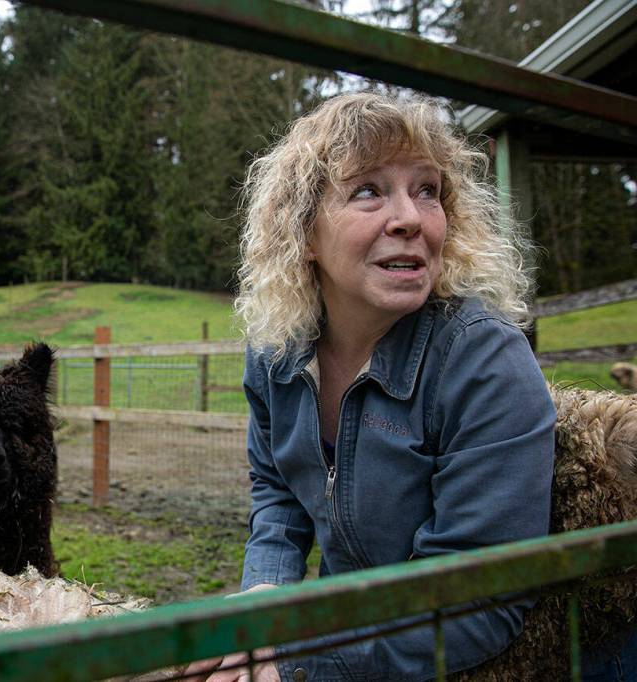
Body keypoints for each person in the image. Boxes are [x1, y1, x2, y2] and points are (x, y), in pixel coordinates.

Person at [187, 91, 559, 681]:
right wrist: (262, 598)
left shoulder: (484, 362)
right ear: (302, 230)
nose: (410, 217)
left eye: (428, 190)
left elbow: (477, 601)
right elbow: (279, 494)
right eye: (369, 190)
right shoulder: (276, 356)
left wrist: (293, 659)